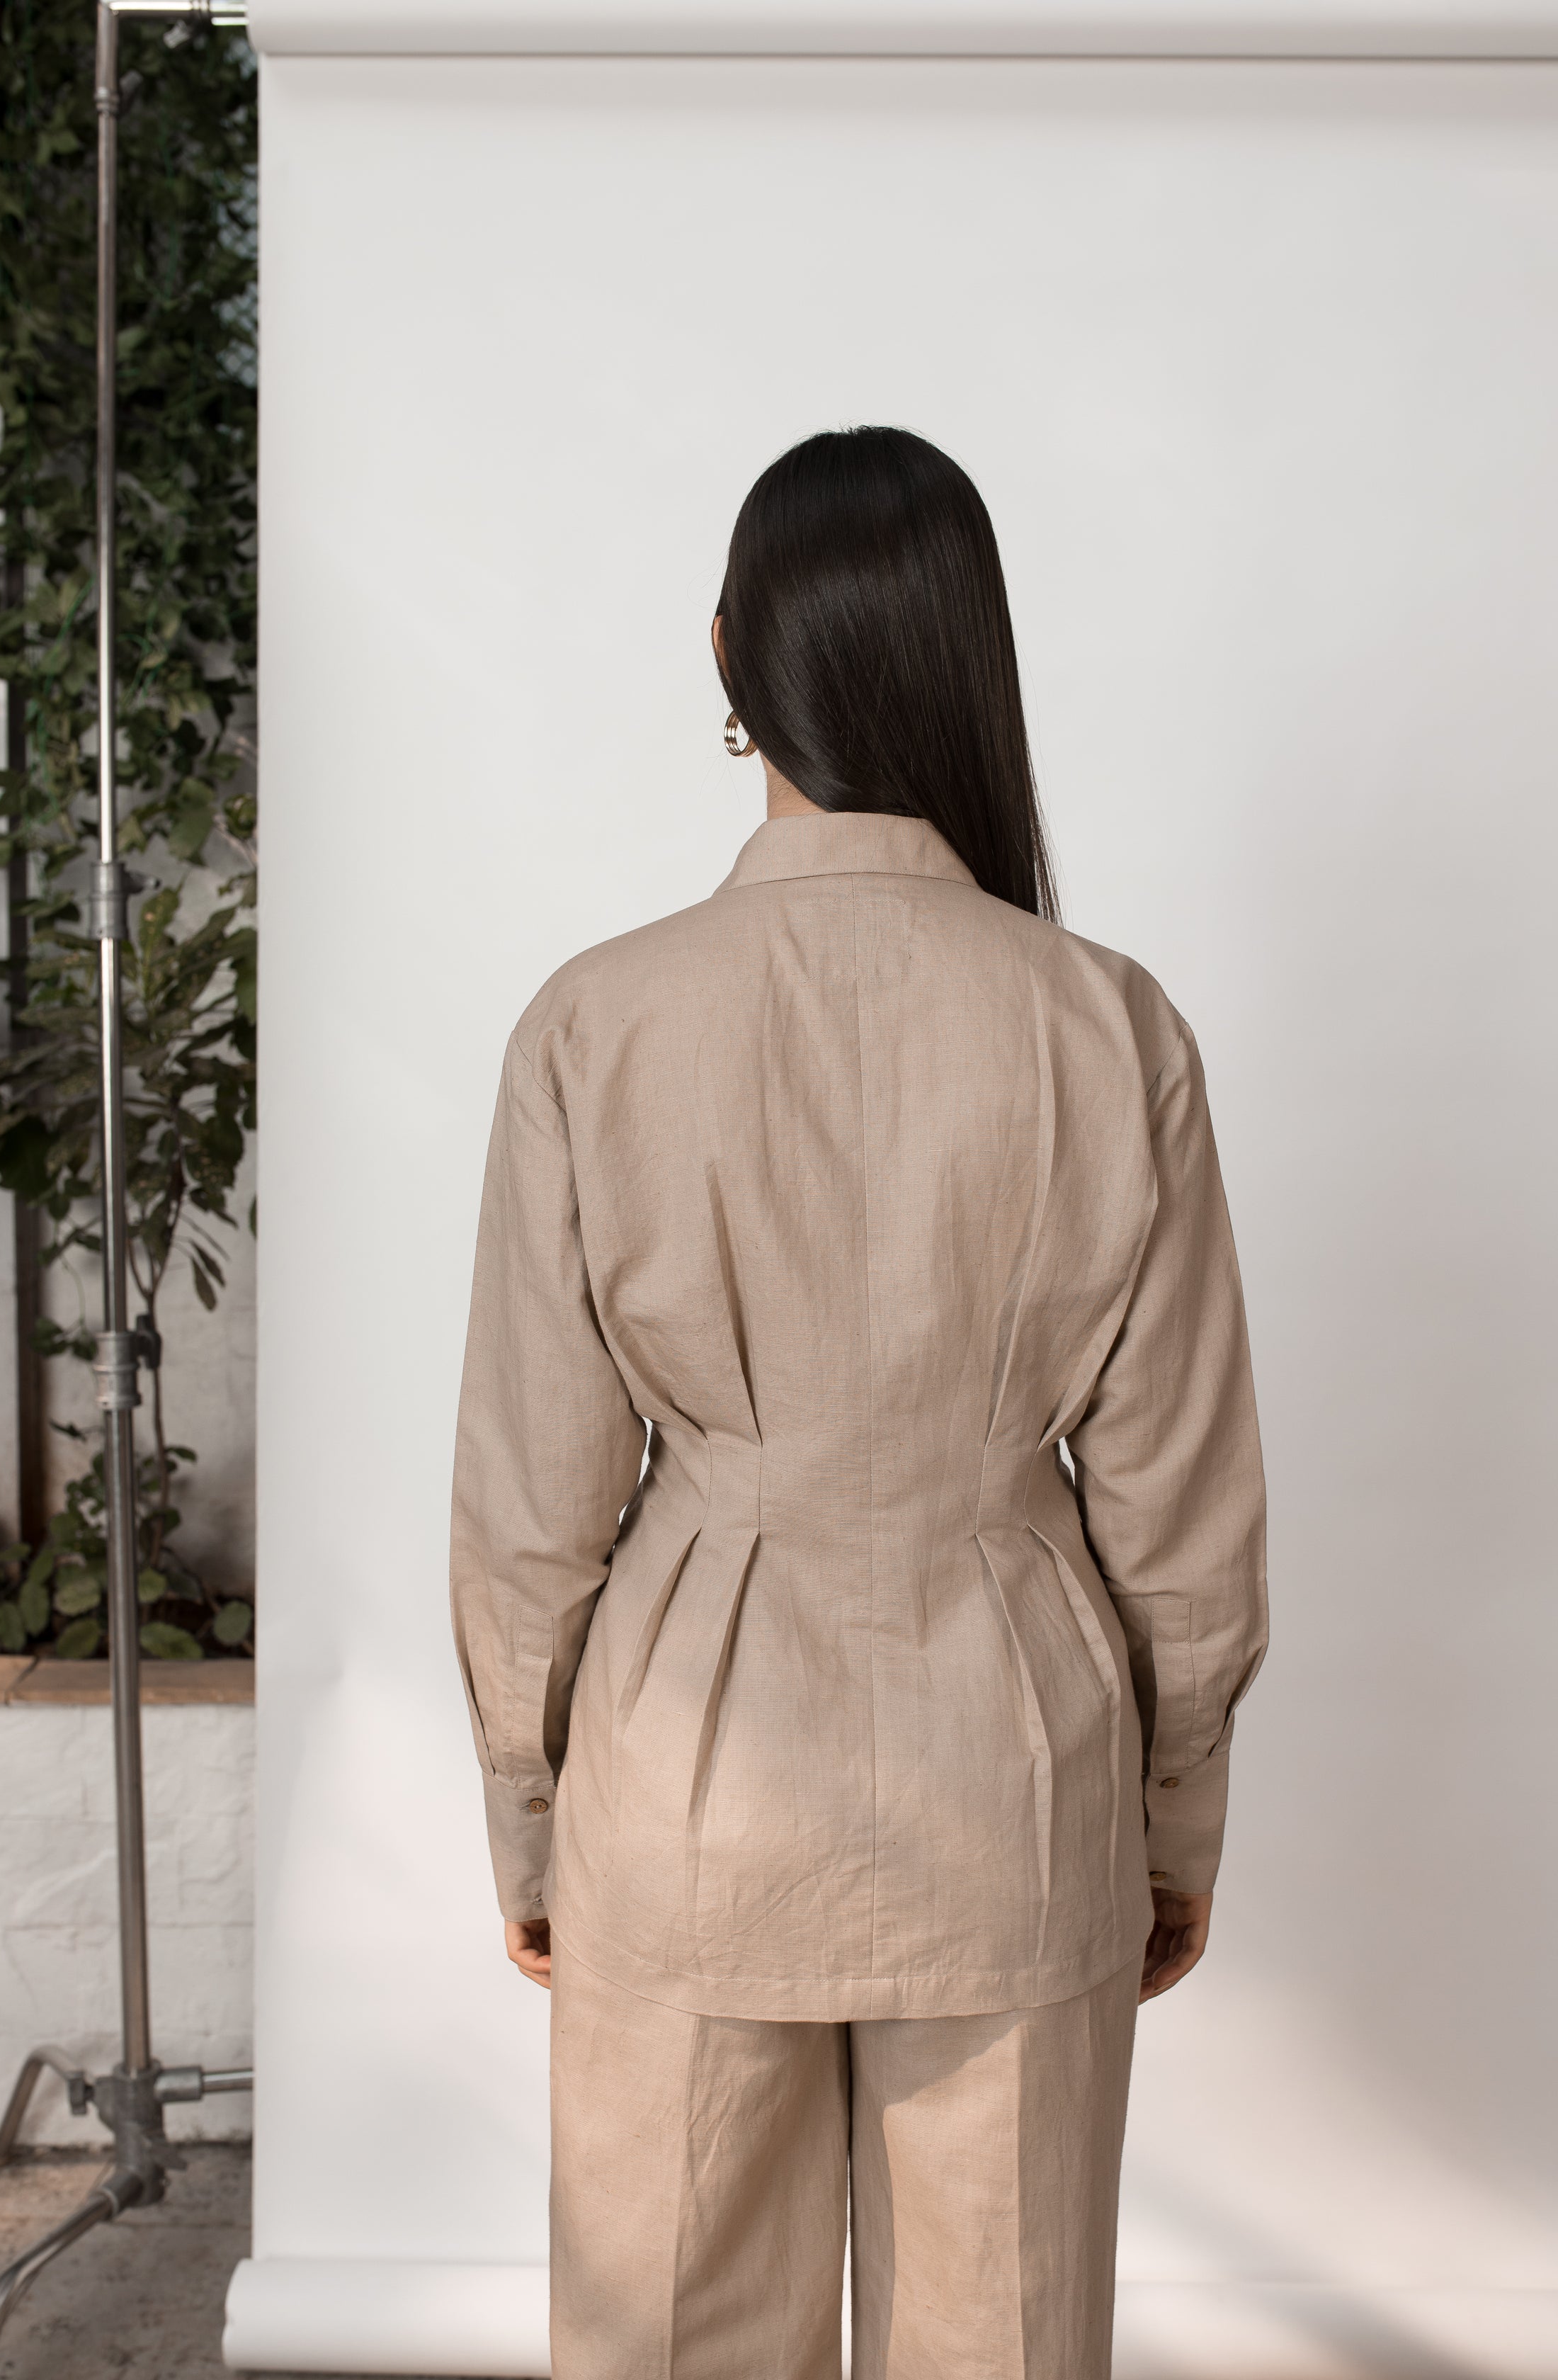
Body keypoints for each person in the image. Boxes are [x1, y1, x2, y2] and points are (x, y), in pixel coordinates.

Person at [450, 426, 1268, 2380]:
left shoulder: (595, 1022)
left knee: (669, 2344)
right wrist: (1171, 1820)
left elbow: (532, 1507)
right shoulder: (1110, 1025)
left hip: (685, 1787)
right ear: (967, 659)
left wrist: (535, 1821)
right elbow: (1182, 1507)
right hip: (1017, 1789)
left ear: (730, 660)